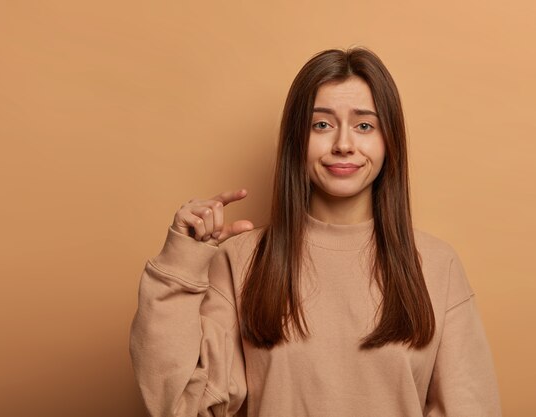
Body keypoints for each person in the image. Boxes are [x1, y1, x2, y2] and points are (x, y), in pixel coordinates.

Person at [129, 46, 502, 416]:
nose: (343, 144)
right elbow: (179, 403)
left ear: (389, 142)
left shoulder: (437, 265)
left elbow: (470, 408)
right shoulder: (241, 260)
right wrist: (181, 263)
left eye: (364, 125)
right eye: (321, 124)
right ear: (296, 140)